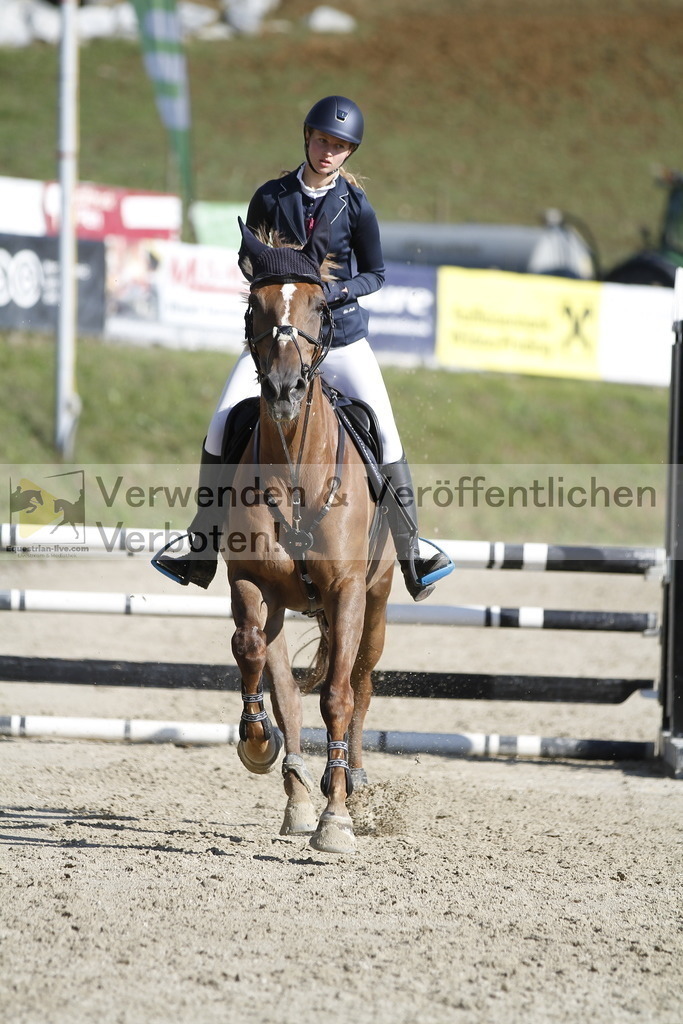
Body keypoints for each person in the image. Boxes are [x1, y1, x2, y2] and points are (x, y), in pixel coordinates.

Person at [155, 95, 452, 601]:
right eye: (322, 141)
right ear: (306, 138)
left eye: (340, 147)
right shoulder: (270, 197)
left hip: (339, 338)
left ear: (349, 152)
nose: (328, 152)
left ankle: (412, 551)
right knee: (223, 420)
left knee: (385, 429)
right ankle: (202, 541)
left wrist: (336, 293)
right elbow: (250, 265)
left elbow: (376, 273)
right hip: (278, 341)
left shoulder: (356, 207)